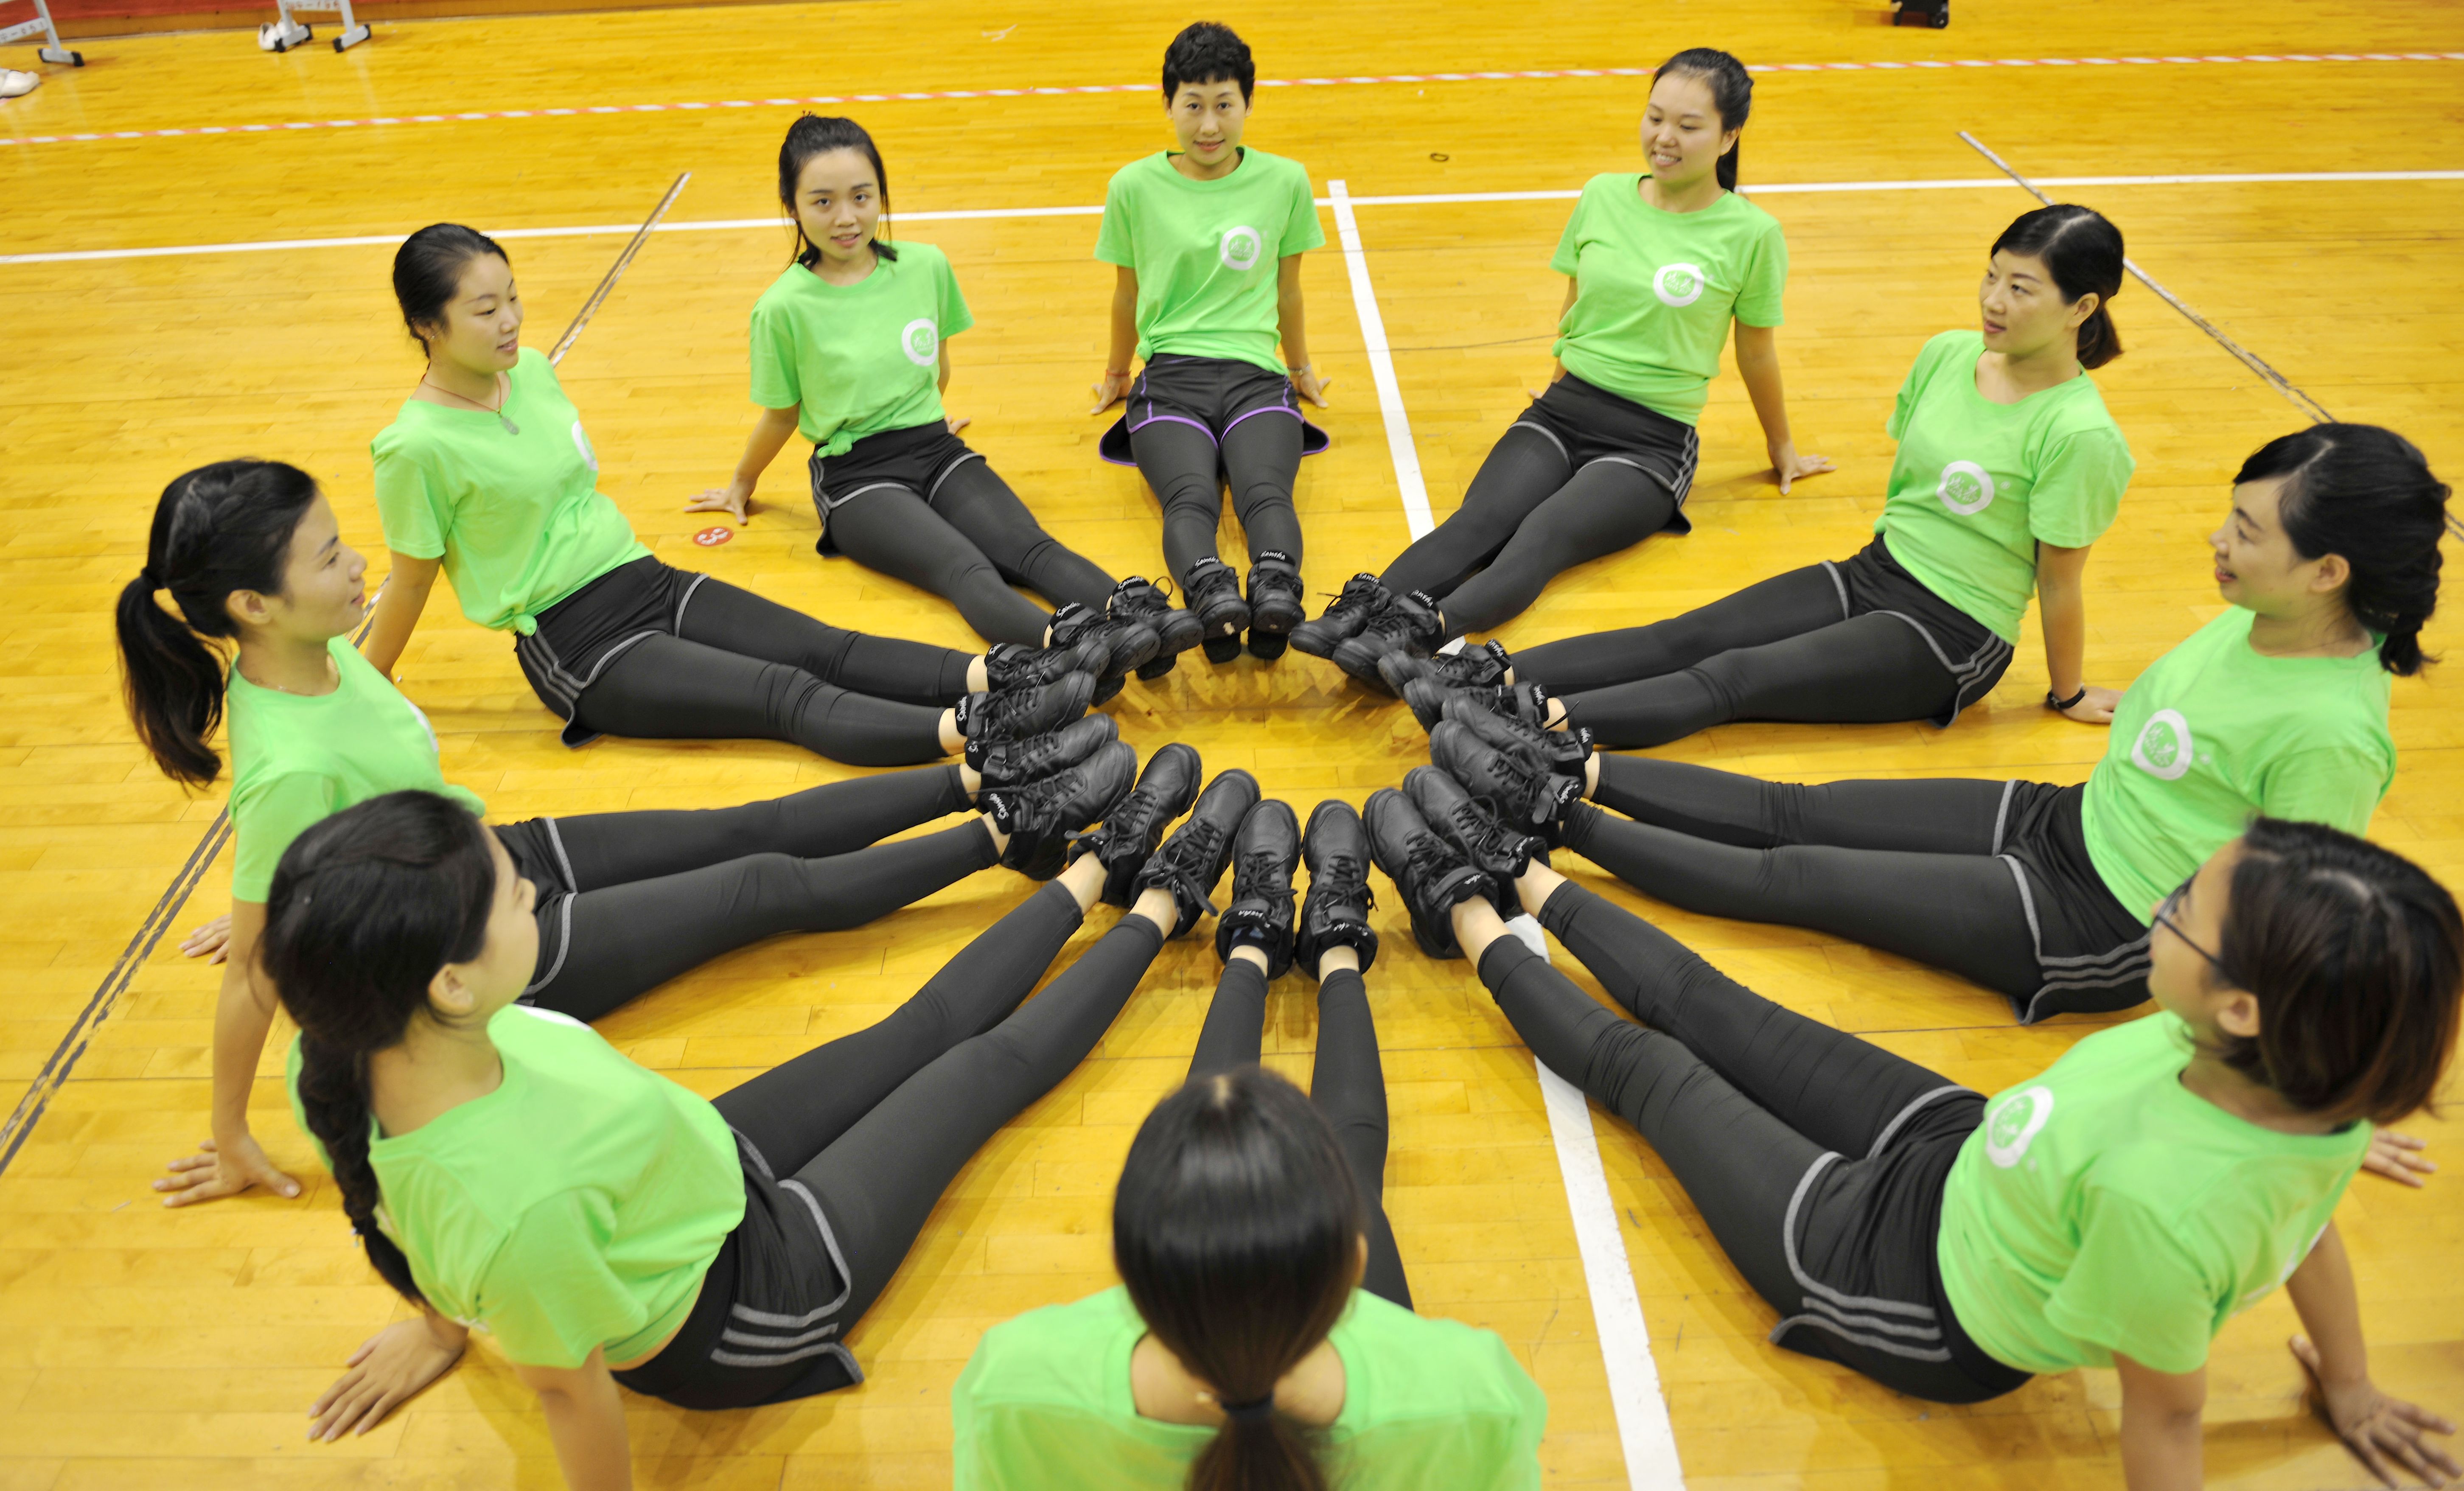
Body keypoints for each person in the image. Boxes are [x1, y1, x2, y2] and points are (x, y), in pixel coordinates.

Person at [1373, 782, 2461, 1491]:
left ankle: (1462, 904)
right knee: (1720, 1005)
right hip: (1963, 1151)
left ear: (2245, 1012)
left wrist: (2342, 1381)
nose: (2160, 904)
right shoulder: (2312, 1107)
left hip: (1902, 1277)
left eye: (2180, 910)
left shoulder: (2162, 1211)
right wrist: (2353, 1379)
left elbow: (2170, 1421)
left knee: (1648, 1070)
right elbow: (2309, 1227)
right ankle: (1522, 866)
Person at [118, 459, 1137, 1207]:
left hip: (497, 857)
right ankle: (1011, 830)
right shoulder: (287, 765)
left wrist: (277, 898)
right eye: (330, 555)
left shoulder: (321, 661)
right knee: (763, 886)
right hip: (476, 952)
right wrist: (229, 1127)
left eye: (343, 541)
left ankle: (978, 773)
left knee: (745, 824)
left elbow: (308, 838)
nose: (357, 567)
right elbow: (257, 970)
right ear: (253, 604)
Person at [269, 765, 1253, 1479]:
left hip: (692, 1165)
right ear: (447, 981)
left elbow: (384, 1207)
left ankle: (1095, 868)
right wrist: (452, 1317)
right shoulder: (526, 1212)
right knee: (983, 1070)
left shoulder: (345, 1052)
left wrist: (437, 1323)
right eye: (518, 896)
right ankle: (1163, 900)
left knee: (919, 1029)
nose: (539, 892)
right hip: (749, 1292)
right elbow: (571, 1394)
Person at [1430, 423, 2444, 1023]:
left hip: (2105, 920)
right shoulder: (2254, 618)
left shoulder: (2336, 733)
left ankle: (1547, 828)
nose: (2219, 540)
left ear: (2330, 571)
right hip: (2063, 819)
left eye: (2249, 532)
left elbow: (2300, 932)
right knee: (1800, 809)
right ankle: (1565, 772)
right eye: (2230, 515)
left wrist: (2317, 1098)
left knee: (1798, 881)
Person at [952, 800, 1547, 1489]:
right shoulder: (1472, 1397)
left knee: (1221, 1128)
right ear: (1354, 1262)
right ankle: (1335, 945)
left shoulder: (1012, 1388)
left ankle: (1256, 939)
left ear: (1130, 1273)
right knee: (1351, 1163)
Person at [1394, 205, 2135, 746]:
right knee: (1687, 635)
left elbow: (2060, 580)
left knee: (1733, 679)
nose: (1993, 301)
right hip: (1875, 571)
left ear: (2084, 308)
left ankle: (1505, 724)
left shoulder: (2080, 432)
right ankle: (1481, 676)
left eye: (2022, 288)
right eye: (1992, 275)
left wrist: (2065, 693)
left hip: (1952, 631)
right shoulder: (1947, 354)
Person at [364, 223, 1100, 768]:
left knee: (824, 646)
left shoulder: (528, 371)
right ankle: (990, 734)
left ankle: (1014, 675)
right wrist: (365, 687)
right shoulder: (413, 446)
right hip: (581, 642)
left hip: (645, 577)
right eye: (485, 310)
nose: (512, 320)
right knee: (785, 696)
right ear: (428, 326)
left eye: (514, 298)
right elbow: (409, 582)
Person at [1293, 46, 1832, 688]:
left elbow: (1756, 352)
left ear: (1729, 135)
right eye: (1655, 117)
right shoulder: (1603, 196)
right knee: (1480, 521)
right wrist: (1558, 379)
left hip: (1650, 444)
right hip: (1563, 408)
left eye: (1688, 126)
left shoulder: (1752, 235)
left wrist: (1783, 448)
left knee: (1540, 537)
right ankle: (1359, 609)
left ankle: (1413, 638)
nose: (1665, 138)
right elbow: (1576, 304)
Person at [692, 115, 1199, 675]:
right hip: (856, 479)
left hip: (934, 448)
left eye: (862, 197)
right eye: (823, 202)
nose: (846, 218)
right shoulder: (781, 307)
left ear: (881, 194)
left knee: (1028, 546)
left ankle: (1137, 616)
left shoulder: (926, 266)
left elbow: (936, 366)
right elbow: (783, 415)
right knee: (967, 568)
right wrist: (743, 481)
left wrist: (922, 415)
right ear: (791, 205)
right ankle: (1075, 649)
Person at [1091, 21, 1329, 664]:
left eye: (1224, 106)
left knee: (1263, 496)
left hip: (1257, 377)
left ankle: (1276, 591)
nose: (1208, 126)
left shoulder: (1285, 181)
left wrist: (1300, 366)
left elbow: (1289, 292)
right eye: (1192, 106)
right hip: (1169, 381)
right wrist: (1118, 372)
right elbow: (1125, 293)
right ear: (1167, 104)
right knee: (1189, 497)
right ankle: (1212, 594)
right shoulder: (1133, 187)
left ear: (1248, 104)